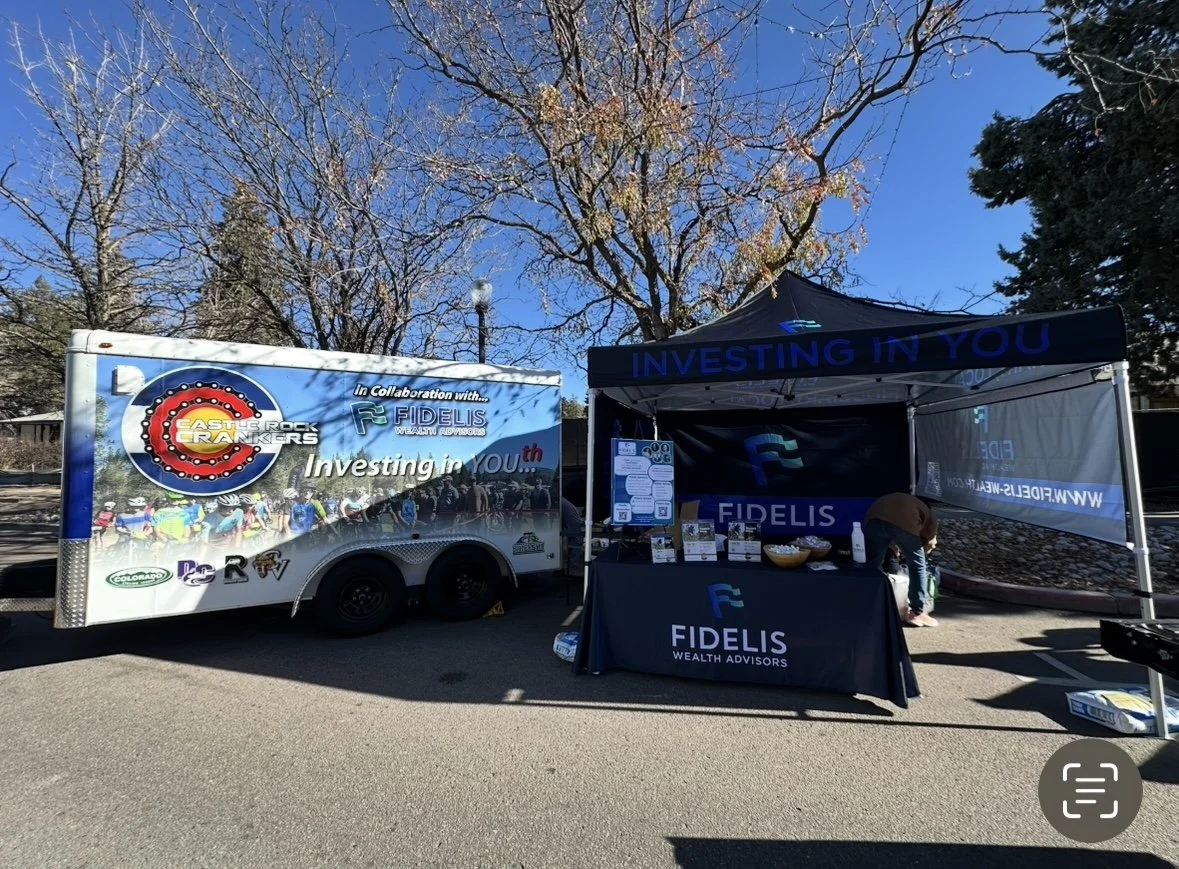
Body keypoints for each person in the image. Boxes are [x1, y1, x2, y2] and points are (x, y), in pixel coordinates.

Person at [863, 492, 940, 627]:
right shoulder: (928, 515)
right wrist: (921, 552)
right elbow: (930, 541)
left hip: (873, 518)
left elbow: (887, 527)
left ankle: (867, 605)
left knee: (872, 565)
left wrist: (895, 546)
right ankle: (917, 612)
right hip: (903, 520)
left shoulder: (908, 502)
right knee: (918, 567)